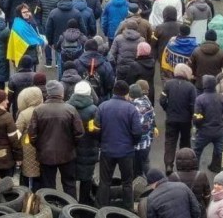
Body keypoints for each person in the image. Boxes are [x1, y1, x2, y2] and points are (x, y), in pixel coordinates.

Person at [29, 80, 84, 197]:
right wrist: (72, 146)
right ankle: (71, 209)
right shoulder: (70, 109)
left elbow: (32, 135)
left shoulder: (38, 110)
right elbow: (79, 133)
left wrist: (40, 147)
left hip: (45, 154)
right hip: (67, 154)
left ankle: (51, 209)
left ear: (48, 93)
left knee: (48, 186)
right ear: (61, 93)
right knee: (69, 184)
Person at [95, 80, 143, 209]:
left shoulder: (103, 106)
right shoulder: (131, 109)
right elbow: (137, 132)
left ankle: (101, 208)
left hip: (107, 150)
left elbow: (96, 128)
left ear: (114, 92)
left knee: (105, 181)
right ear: (127, 93)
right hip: (126, 152)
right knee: (127, 182)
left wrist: (101, 142)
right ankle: (128, 208)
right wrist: (133, 143)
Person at [161, 63, 197, 175]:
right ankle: (184, 165)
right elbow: (193, 105)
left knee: (170, 142)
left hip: (171, 118)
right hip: (185, 120)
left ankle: (168, 164)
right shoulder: (191, 87)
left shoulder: (168, 84)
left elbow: (162, 100)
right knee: (185, 142)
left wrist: (167, 109)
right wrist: (192, 117)